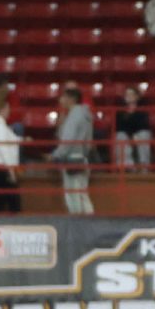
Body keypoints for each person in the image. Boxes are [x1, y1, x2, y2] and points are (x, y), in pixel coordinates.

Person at [50, 85, 94, 215]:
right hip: (82, 157)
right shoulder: (85, 115)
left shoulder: (75, 115)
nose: (61, 100)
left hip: (72, 158)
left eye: (64, 97)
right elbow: (88, 142)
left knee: (73, 196)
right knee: (82, 194)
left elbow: (67, 140)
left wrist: (56, 155)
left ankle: (78, 226)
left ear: (72, 99)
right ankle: (90, 225)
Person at [115, 85, 152, 170]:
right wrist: (130, 135)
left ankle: (144, 165)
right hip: (126, 133)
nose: (129, 96)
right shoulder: (120, 109)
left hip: (139, 132)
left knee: (144, 135)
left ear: (137, 96)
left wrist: (134, 135)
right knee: (120, 136)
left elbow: (143, 124)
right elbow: (120, 126)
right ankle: (127, 167)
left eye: (131, 94)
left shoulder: (143, 107)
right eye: (127, 94)